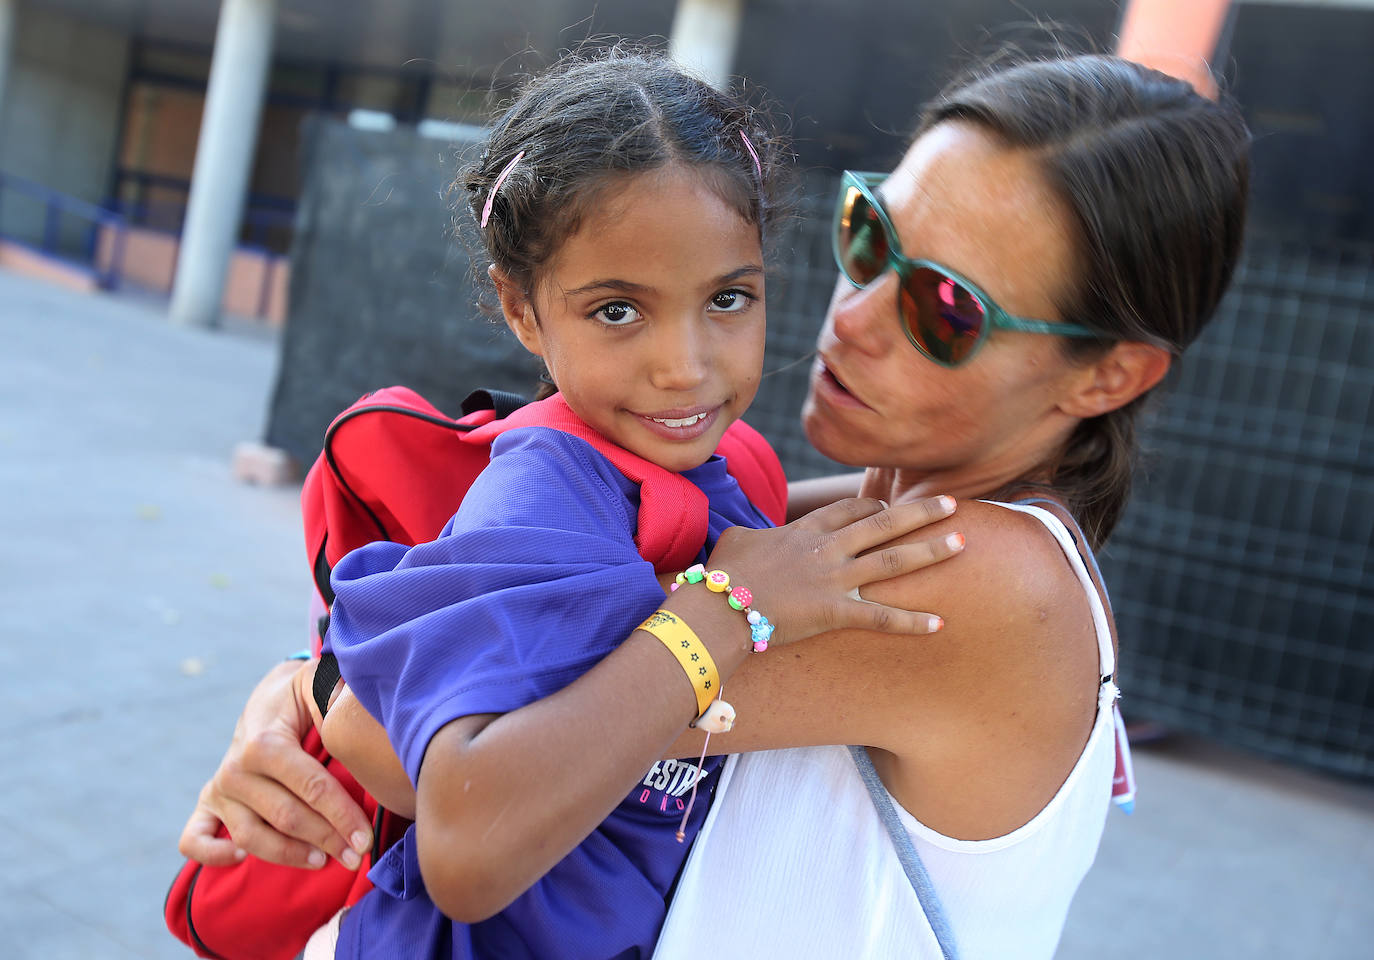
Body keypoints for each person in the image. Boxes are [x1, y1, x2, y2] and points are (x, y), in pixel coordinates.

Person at [181, 51, 1250, 960]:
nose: (857, 317)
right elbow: (454, 673)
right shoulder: (823, 528)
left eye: (943, 307)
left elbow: (450, 762)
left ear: (1106, 378)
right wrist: (305, 686)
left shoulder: (977, 587)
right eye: (870, 237)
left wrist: (309, 688)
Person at [289, 51, 958, 959]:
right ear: (522, 310)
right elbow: (467, 852)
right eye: (617, 311)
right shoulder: (540, 501)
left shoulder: (692, 463)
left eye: (728, 298)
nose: (685, 364)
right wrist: (727, 613)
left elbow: (779, 532)